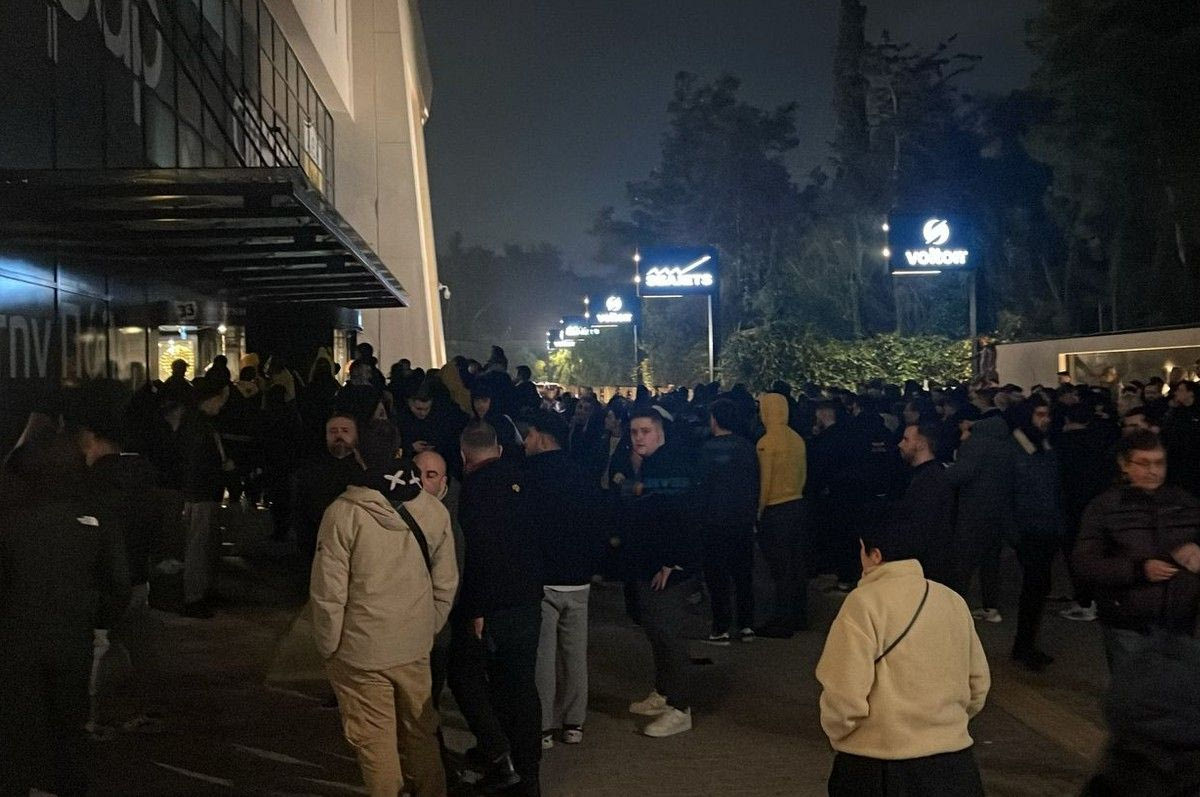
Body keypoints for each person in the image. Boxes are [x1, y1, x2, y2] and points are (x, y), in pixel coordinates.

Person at [310, 456, 457, 797]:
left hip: (362, 650)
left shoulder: (344, 513)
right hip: (413, 645)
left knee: (375, 741)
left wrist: (328, 645)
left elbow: (329, 592)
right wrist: (428, 627)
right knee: (421, 731)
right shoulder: (434, 511)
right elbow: (445, 581)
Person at [816, 522, 990, 797]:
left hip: (878, 764)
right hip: (954, 766)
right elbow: (978, 683)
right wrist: (945, 726)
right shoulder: (952, 600)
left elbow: (844, 693)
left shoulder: (863, 603)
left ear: (875, 555)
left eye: (862, 550)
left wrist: (840, 733)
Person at [0, 433, 132, 796]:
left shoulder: (10, 516)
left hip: (16, 635)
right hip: (72, 633)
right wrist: (100, 618)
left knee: (16, 728)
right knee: (68, 724)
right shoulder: (95, 516)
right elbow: (119, 583)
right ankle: (66, 784)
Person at [456, 422, 543, 794]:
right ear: (499, 449)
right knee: (522, 687)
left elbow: (478, 553)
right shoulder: (523, 480)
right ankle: (528, 772)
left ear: (464, 455)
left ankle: (503, 761)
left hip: (493, 605)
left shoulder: (473, 490)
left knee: (484, 683)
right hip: (528, 597)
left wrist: (475, 608)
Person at [1072, 430, 1200, 672]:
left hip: (1180, 621)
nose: (1153, 471)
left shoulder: (1185, 503)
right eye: (1144, 463)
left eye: (1159, 463)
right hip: (1128, 620)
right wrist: (1139, 570)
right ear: (1124, 465)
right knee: (1135, 686)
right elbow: (1085, 563)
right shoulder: (1105, 508)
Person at [521, 409, 604, 749]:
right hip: (578, 578)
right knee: (575, 655)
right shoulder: (581, 474)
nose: (525, 441)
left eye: (528, 435)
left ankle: (542, 726)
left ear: (542, 436)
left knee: (543, 657)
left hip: (543, 578)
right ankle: (574, 722)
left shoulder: (529, 476)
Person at [624, 407, 700, 738]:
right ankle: (665, 692)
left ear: (660, 432)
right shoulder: (654, 464)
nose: (638, 438)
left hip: (667, 568)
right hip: (651, 563)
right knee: (657, 631)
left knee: (668, 634)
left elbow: (684, 515)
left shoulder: (671, 466)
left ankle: (680, 708)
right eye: (634, 432)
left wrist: (673, 561)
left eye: (645, 431)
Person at [946, 393, 1015, 623]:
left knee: (963, 561)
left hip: (974, 508)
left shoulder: (976, 443)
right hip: (998, 509)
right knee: (991, 561)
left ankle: (955, 608)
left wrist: (947, 471)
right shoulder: (1005, 441)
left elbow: (960, 474)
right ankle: (990, 607)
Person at [1009, 398, 1064, 671]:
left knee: (1038, 588)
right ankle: (1025, 646)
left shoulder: (1043, 445)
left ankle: (1026, 644)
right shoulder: (1016, 449)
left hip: (1045, 528)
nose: (1046, 419)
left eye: (1047, 414)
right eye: (1040, 414)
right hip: (1030, 529)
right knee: (1034, 587)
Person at [699, 398, 759, 644]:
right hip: (742, 520)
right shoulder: (747, 447)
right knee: (743, 575)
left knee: (717, 576)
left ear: (714, 419)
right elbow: (754, 483)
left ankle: (720, 628)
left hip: (714, 521)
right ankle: (746, 625)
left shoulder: (706, 449)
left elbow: (701, 486)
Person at [177, 377, 231, 618]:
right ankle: (194, 597)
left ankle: (202, 591)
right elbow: (200, 462)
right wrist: (223, 468)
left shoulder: (197, 422)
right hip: (202, 492)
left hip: (204, 491)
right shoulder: (198, 426)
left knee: (204, 545)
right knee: (199, 547)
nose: (222, 404)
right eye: (221, 398)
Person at [292, 413, 367, 562]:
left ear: (356, 435)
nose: (339, 435)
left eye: (345, 431)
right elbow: (300, 510)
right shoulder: (310, 470)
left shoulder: (364, 470)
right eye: (333, 431)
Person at [893, 422, 955, 585]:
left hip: (927, 566)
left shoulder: (930, 480)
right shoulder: (927, 475)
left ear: (921, 444)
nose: (900, 444)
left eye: (906, 439)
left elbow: (923, 526)